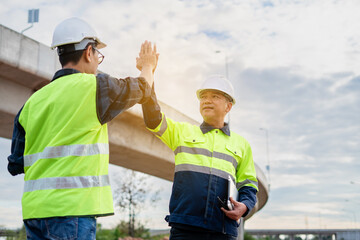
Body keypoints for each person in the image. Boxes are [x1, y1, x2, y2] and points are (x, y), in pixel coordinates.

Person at [7, 18, 157, 240]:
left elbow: (15, 164)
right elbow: (143, 88)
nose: (98, 62)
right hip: (72, 213)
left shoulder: (31, 103)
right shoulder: (95, 87)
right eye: (98, 56)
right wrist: (148, 66)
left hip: (34, 214)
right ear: (88, 52)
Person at [138, 42, 258, 240]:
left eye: (215, 96)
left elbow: (249, 185)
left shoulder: (241, 145)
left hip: (223, 229)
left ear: (228, 106)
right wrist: (148, 69)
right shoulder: (182, 132)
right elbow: (153, 118)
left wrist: (244, 206)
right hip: (185, 228)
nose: (207, 100)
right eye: (203, 96)